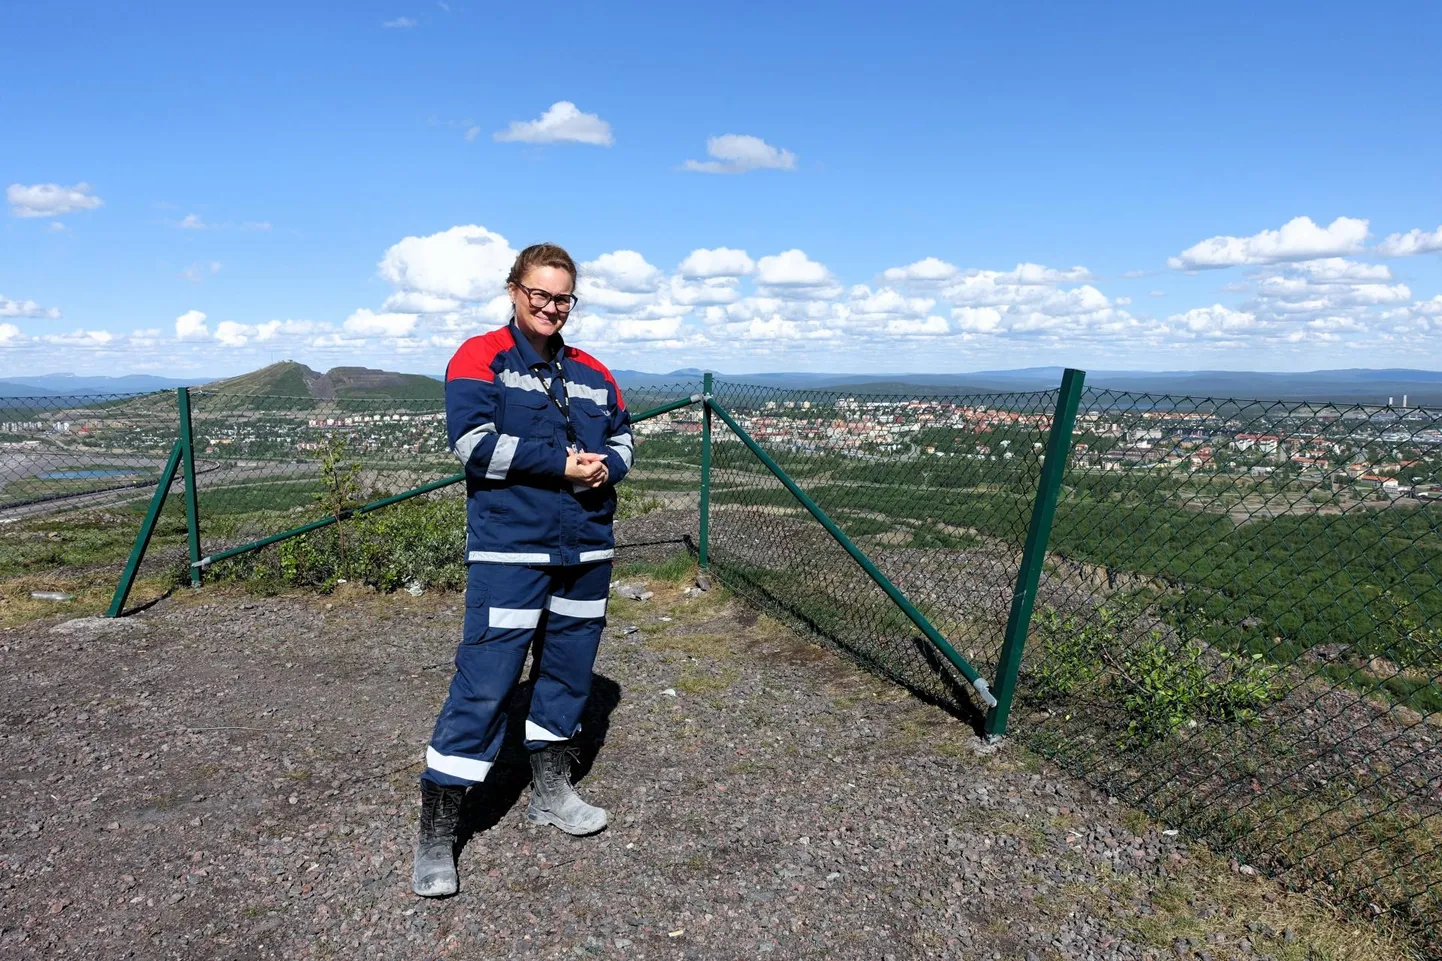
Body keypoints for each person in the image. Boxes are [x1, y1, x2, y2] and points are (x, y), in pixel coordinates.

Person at [412, 243, 634, 898]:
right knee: (486, 681)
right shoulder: (480, 356)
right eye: (539, 293)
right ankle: (438, 831)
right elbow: (472, 444)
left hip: (586, 550)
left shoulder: (594, 371)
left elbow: (623, 437)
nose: (550, 306)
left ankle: (549, 791)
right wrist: (561, 464)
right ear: (514, 290)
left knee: (567, 674)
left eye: (562, 297)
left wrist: (605, 467)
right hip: (512, 552)